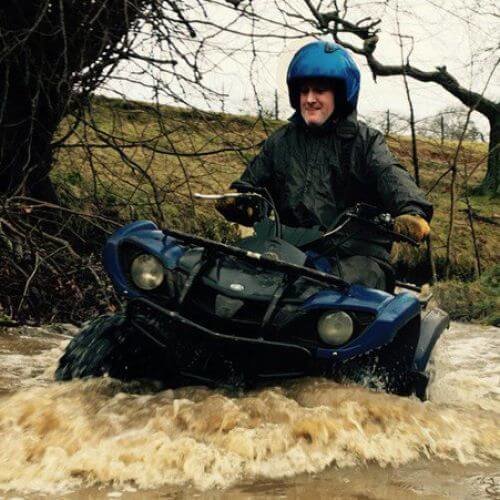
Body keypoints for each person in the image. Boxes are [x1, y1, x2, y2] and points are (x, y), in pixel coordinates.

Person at [217, 41, 432, 291]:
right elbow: (251, 184)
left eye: (319, 90)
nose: (309, 99)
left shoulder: (365, 141)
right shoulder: (281, 141)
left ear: (340, 95)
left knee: (344, 293)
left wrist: (412, 212)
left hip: (355, 255)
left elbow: (390, 174)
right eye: (304, 90)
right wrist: (239, 201)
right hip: (290, 250)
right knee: (231, 282)